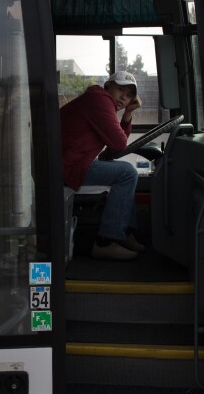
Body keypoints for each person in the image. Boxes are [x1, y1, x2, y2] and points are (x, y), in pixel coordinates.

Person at [60, 71, 145, 260]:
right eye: (120, 90)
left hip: (74, 162)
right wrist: (127, 114)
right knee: (127, 173)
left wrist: (128, 112)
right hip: (69, 166)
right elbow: (119, 143)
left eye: (129, 95)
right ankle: (106, 242)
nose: (124, 97)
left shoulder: (101, 102)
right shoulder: (100, 100)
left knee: (123, 172)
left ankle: (123, 233)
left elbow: (113, 149)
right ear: (108, 85)